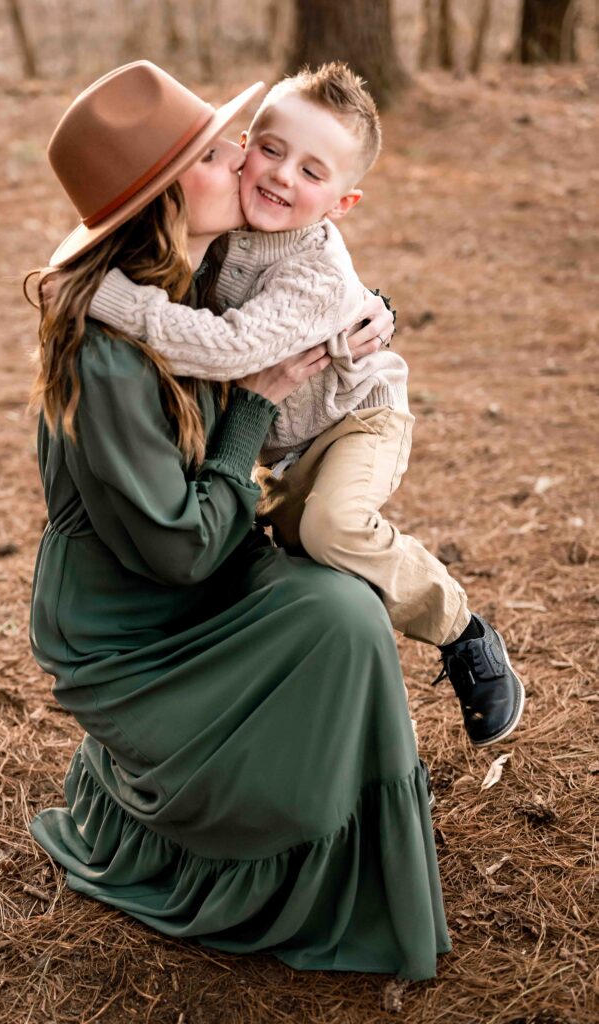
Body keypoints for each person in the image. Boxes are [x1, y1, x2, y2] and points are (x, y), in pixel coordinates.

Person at [28, 60, 450, 981]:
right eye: (226, 152)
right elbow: (178, 549)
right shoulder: (113, 349)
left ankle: (342, 863)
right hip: (136, 615)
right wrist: (257, 404)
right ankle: (270, 880)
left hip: (207, 551)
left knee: (346, 606)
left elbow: (307, 276)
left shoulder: (189, 278)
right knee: (337, 623)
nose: (250, 166)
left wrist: (363, 311)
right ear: (164, 192)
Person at [85, 62, 525, 749]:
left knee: (333, 528)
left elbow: (231, 348)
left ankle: (461, 630)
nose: (282, 176)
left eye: (313, 173)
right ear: (243, 145)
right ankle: (330, 701)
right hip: (288, 441)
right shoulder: (222, 225)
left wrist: (113, 300)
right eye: (270, 149)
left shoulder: (317, 270)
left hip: (358, 415)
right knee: (294, 547)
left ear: (342, 203)